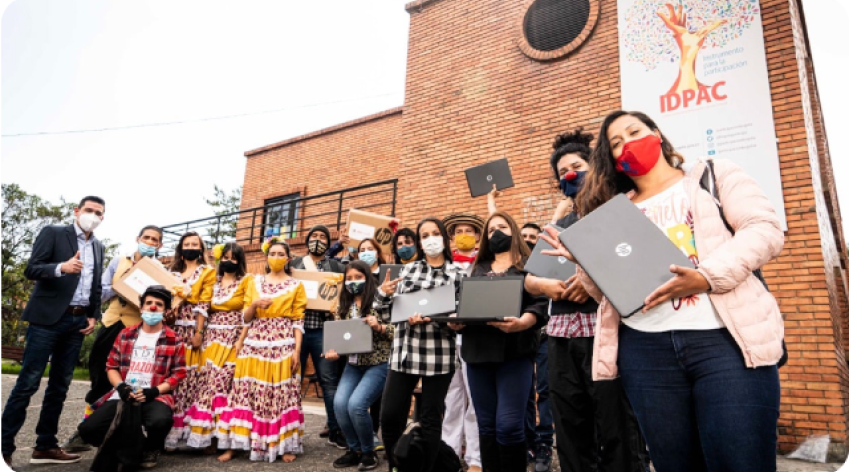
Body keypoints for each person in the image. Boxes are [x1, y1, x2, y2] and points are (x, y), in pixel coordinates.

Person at [542, 111, 784, 472]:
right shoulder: (612, 210)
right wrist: (584, 260)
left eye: (634, 132)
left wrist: (705, 277)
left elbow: (763, 229)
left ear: (656, 134)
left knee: (740, 459)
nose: (627, 143)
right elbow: (604, 294)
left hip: (723, 344)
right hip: (645, 351)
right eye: (616, 143)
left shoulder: (712, 175)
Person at [537, 129, 646, 472]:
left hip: (608, 334)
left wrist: (591, 281)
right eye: (562, 172)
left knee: (617, 425)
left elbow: (637, 268)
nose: (570, 174)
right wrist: (546, 286)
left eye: (577, 165)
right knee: (569, 423)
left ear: (595, 167)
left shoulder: (619, 212)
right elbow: (530, 278)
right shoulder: (559, 225)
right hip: (562, 338)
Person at [1, 196, 105, 471]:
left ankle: (45, 445)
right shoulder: (54, 233)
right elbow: (31, 268)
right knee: (27, 384)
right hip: (47, 320)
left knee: (60, 387)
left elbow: (94, 285)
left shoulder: (98, 246)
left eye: (98, 213)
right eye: (89, 210)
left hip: (77, 323)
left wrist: (94, 314)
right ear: (77, 211)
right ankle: (3, 448)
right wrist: (61, 268)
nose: (93, 215)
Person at [447, 211, 548, 472]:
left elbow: (540, 305)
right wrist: (455, 321)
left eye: (502, 227)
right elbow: (460, 307)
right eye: (491, 230)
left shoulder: (528, 266)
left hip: (515, 353)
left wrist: (523, 322)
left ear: (513, 230)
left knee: (509, 425)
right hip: (477, 353)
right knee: (487, 426)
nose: (497, 233)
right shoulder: (475, 271)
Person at [62, 225, 165, 454]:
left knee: (132, 380)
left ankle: (127, 435)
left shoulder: (160, 270)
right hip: (111, 323)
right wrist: (124, 286)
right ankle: (86, 429)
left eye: (154, 239)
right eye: (146, 237)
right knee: (99, 375)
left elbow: (160, 301)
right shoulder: (119, 261)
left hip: (137, 329)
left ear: (160, 245)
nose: (149, 242)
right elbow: (102, 290)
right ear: (137, 238)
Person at [376, 217, 465, 472]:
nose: (430, 239)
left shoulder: (458, 274)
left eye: (435, 233)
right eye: (424, 235)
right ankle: (397, 466)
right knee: (390, 416)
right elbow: (383, 315)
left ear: (445, 239)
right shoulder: (406, 272)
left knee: (430, 418)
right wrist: (383, 294)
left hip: (440, 355)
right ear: (420, 242)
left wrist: (444, 321)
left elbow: (461, 317)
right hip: (404, 352)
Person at [77, 285, 187, 471]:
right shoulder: (125, 334)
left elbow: (179, 374)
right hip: (124, 394)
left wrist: (153, 391)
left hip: (155, 395)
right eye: (149, 303)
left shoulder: (173, 339)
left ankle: (151, 448)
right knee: (88, 430)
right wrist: (121, 387)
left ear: (166, 311)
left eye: (159, 304)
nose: (153, 307)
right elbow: (111, 366)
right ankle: (125, 442)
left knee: (160, 421)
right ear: (141, 308)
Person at [218, 237, 307, 463]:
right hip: (255, 339)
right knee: (246, 390)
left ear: (288, 259)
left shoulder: (296, 285)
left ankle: (285, 444)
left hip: (282, 339)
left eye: (280, 254)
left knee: (281, 391)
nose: (276, 258)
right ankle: (237, 444)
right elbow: (245, 317)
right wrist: (255, 306)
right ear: (266, 256)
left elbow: (298, 320)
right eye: (272, 253)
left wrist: (297, 351)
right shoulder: (253, 282)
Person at [183, 243, 252, 453]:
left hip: (233, 337)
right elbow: (203, 307)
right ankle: (209, 437)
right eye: (225, 257)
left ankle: (225, 440)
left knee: (224, 385)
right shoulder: (213, 280)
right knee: (206, 385)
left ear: (239, 261)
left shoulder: (246, 281)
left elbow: (249, 312)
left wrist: (241, 340)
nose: (228, 261)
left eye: (233, 258)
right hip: (211, 337)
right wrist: (200, 333)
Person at [326, 261, 394, 471]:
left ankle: (368, 452)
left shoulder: (381, 300)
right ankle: (354, 450)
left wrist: (380, 327)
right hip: (353, 364)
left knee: (356, 405)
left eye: (358, 277)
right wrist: (333, 351)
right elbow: (339, 338)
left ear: (367, 277)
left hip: (378, 363)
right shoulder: (342, 306)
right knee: (339, 404)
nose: (353, 282)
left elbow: (397, 332)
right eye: (349, 278)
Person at [291, 224, 347, 448]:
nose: (318, 239)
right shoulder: (294, 265)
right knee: (293, 381)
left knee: (329, 382)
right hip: (297, 332)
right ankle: (291, 431)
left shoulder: (335, 265)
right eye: (314, 235)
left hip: (324, 331)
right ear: (307, 240)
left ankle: (335, 430)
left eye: (322, 236)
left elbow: (344, 294)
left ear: (328, 242)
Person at [439, 214, 485, 472]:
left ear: (478, 236)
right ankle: (449, 453)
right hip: (447, 340)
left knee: (475, 401)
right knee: (452, 399)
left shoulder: (482, 264)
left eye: (470, 230)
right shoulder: (446, 265)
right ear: (453, 237)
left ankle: (475, 459)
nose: (464, 234)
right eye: (459, 231)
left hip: (473, 339)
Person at [165, 232, 216, 449]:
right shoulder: (171, 272)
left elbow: (204, 303)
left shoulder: (208, 272)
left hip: (193, 328)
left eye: (195, 244)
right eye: (187, 244)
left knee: (191, 380)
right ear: (180, 247)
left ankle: (188, 431)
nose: (191, 247)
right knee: (170, 378)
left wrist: (199, 332)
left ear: (201, 248)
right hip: (172, 329)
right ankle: (167, 429)